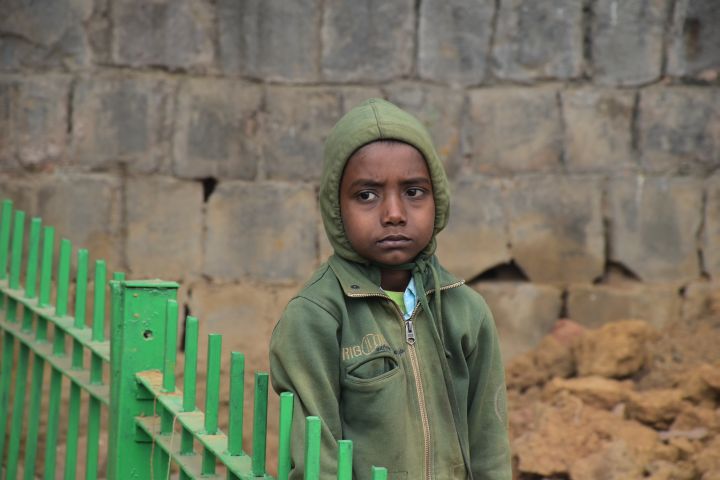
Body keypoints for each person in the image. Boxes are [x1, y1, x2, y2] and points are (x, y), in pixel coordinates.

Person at [269, 98, 511, 480]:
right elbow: (318, 459)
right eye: (367, 195)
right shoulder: (316, 317)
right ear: (335, 206)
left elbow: (489, 444)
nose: (394, 213)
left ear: (438, 200)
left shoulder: (466, 311)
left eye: (414, 191)